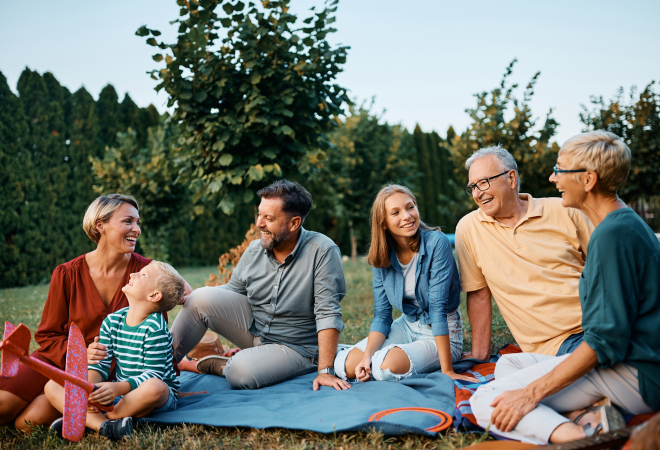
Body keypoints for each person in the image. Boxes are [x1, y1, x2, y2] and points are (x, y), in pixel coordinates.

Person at [469, 131, 659, 445]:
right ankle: (589, 417)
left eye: (560, 169)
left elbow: (603, 343)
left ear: (588, 180)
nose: (552, 177)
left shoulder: (610, 237)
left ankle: (586, 436)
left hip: (637, 373)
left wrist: (531, 394)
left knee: (485, 399)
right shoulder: (626, 224)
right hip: (634, 360)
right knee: (509, 364)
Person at [0, 194, 191, 431]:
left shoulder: (147, 274)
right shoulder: (66, 274)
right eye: (128, 221)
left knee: (27, 423)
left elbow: (151, 341)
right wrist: (81, 354)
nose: (136, 229)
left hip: (115, 377)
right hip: (61, 361)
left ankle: (91, 419)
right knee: (3, 406)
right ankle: (69, 402)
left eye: (138, 222)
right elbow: (47, 336)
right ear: (100, 225)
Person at [167, 180, 351, 391]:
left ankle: (221, 365)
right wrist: (194, 294)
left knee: (240, 372)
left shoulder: (322, 251)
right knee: (198, 299)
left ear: (294, 223)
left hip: (296, 348)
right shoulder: (255, 250)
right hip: (256, 332)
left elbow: (328, 314)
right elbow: (233, 292)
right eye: (259, 214)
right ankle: (157, 368)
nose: (259, 224)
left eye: (269, 218)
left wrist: (325, 370)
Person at [455, 145, 594, 359]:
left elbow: (606, 266)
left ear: (511, 179)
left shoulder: (566, 210)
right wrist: (480, 354)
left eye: (483, 183)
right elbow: (479, 295)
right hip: (560, 342)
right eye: (472, 186)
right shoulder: (469, 229)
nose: (477, 193)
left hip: (603, 320)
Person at [334, 185, 474, 383]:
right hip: (407, 325)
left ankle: (398, 356)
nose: (407, 216)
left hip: (442, 333)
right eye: (395, 212)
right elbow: (382, 315)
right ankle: (382, 355)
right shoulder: (381, 257)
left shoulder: (437, 243)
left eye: (410, 207)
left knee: (384, 367)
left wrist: (448, 370)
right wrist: (366, 357)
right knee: (346, 364)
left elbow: (437, 307)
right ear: (383, 223)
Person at [45, 261, 185, 441]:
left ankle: (90, 421)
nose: (133, 274)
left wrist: (118, 387)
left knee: (156, 387)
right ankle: (104, 426)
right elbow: (100, 366)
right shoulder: (112, 321)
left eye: (143, 275)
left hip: (156, 397)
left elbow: (154, 375)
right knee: (52, 385)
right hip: (121, 397)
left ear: (154, 295)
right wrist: (88, 391)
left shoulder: (156, 328)